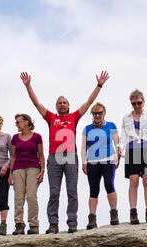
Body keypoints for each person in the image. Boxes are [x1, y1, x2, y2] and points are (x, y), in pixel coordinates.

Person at [20, 70, 109, 234]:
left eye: (65, 103)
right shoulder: (51, 118)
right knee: (54, 192)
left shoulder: (74, 117)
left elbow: (89, 102)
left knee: (72, 191)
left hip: (70, 157)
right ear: (56, 106)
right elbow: (36, 103)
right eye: (59, 102)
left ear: (69, 106)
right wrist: (28, 85)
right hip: (54, 158)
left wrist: (99, 85)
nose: (62, 104)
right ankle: (53, 224)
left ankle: (72, 223)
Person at [118, 89, 147, 224]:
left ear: (143, 102)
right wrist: (120, 148)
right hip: (132, 149)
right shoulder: (126, 117)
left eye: (139, 103)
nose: (136, 106)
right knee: (133, 180)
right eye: (134, 103)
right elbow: (123, 135)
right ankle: (133, 211)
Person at [81, 102, 120, 229]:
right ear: (92, 114)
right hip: (92, 161)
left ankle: (114, 213)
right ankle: (92, 217)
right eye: (95, 113)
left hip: (108, 159)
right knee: (93, 188)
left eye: (100, 113)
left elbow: (117, 143)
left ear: (104, 114)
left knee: (109, 184)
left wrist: (117, 158)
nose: (97, 116)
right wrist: (83, 161)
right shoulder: (87, 128)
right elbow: (83, 147)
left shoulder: (111, 125)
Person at [8, 114, 45, 235]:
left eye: (18, 122)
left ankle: (34, 225)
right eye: (16, 122)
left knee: (31, 196)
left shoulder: (37, 137)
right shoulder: (15, 138)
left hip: (33, 168)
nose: (16, 124)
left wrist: (42, 170)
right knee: (19, 197)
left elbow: (41, 155)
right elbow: (13, 156)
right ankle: (19, 224)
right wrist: (10, 173)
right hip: (18, 169)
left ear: (26, 122)